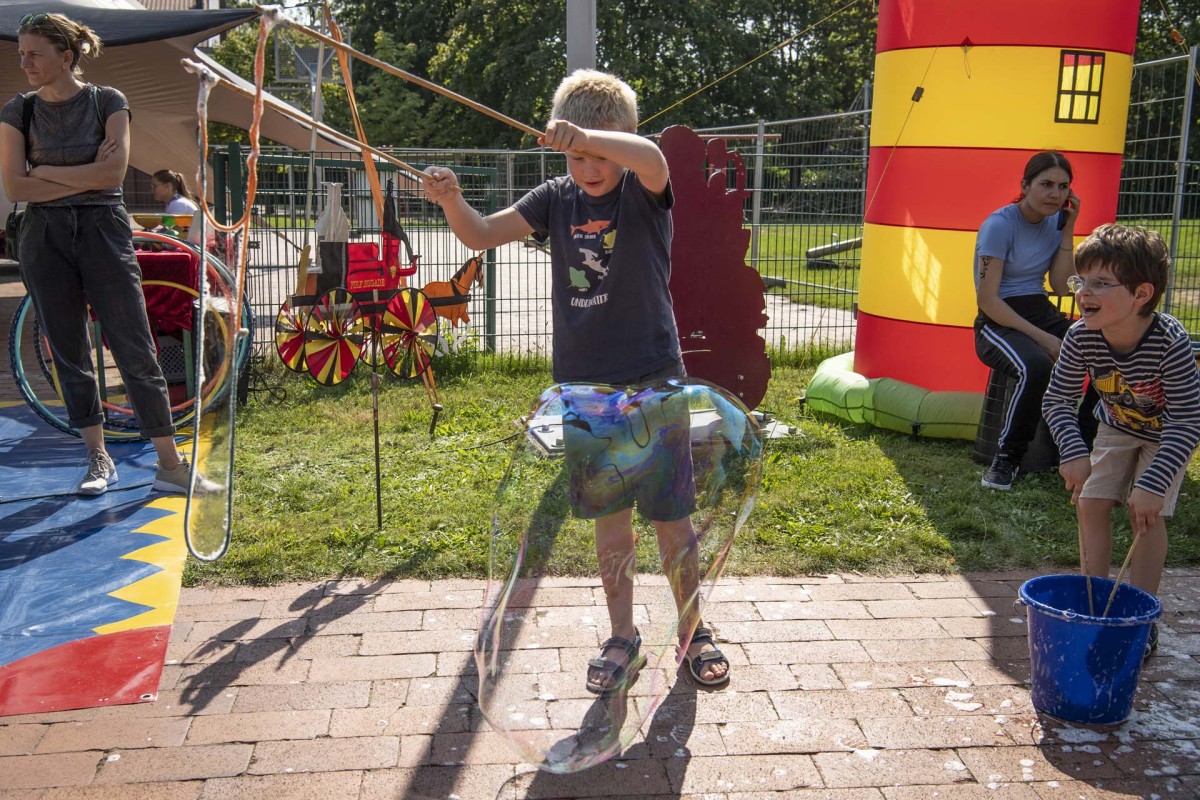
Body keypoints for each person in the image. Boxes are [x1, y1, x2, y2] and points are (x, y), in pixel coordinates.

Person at [422, 69, 730, 691]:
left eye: (597, 154)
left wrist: (587, 135)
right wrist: (451, 198)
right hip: (586, 389)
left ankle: (694, 629)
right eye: (576, 156)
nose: (588, 167)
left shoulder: (643, 189)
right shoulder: (555, 199)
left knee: (671, 519)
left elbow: (652, 158)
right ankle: (623, 636)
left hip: (653, 380)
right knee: (610, 521)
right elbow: (481, 233)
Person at [0, 12, 210, 496]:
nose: (25, 62)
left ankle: (170, 465)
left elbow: (113, 175)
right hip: (43, 235)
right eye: (21, 54)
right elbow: (15, 186)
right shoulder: (18, 110)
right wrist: (83, 174)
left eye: (34, 54)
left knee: (134, 344)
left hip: (103, 230)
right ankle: (98, 458)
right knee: (68, 350)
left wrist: (44, 172)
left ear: (66, 56)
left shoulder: (108, 101)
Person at [1043, 224, 1200, 659]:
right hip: (1117, 426)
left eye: (1100, 283)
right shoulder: (1081, 336)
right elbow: (1057, 400)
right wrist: (1073, 451)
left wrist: (1153, 484)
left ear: (1141, 294)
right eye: (1081, 281)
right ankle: (1095, 607)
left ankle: (1141, 618)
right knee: (1091, 503)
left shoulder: (1171, 343)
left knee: (1144, 514)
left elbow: (1187, 422)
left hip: (1167, 434)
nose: (1084, 292)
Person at [974, 150, 1096, 490]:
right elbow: (987, 299)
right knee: (1036, 366)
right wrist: (1043, 338)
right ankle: (1006, 459)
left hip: (1040, 309)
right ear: (1025, 186)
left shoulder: (1057, 223)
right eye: (1046, 184)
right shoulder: (999, 225)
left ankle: (1082, 447)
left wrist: (1068, 231)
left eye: (1063, 186)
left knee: (1104, 349)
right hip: (997, 321)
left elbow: (1060, 286)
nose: (1055, 194)